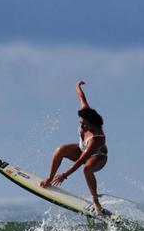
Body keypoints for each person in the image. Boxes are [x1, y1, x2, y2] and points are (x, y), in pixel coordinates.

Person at [40, 81, 108, 214]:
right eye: (80, 123)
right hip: (82, 150)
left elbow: (82, 160)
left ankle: (96, 201)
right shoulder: (85, 112)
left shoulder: (97, 138)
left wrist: (64, 175)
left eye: (85, 125)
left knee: (87, 169)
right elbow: (81, 98)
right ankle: (49, 178)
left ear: (93, 124)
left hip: (98, 157)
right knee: (61, 149)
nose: (81, 127)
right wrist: (77, 86)